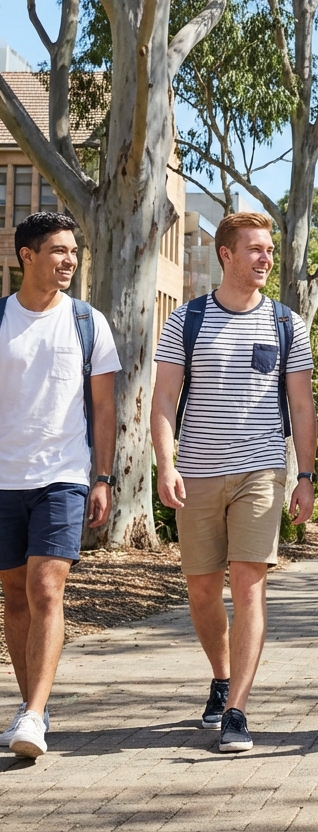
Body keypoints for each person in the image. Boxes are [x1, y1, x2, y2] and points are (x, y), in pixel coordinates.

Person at [151, 212, 316, 753]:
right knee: (202, 589)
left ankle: (238, 710)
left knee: (248, 584)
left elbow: (301, 403)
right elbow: (163, 401)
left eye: (269, 249)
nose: (266, 258)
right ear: (226, 255)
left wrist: (307, 475)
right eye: (255, 250)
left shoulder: (287, 323)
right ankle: (221, 678)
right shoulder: (186, 321)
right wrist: (166, 464)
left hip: (261, 471)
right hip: (197, 471)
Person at [0, 213, 120, 758]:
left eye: (74, 251)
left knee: (46, 589)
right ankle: (35, 710)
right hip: (4, 479)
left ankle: (30, 714)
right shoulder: (1, 319)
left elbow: (103, 407)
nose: (69, 260)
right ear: (27, 256)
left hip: (63, 477)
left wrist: (101, 476)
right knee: (13, 596)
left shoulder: (87, 322)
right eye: (58, 251)